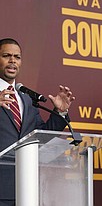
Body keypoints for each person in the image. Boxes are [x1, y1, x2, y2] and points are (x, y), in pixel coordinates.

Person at [0, 38, 75, 206]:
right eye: (6, 55)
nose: (13, 61)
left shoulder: (26, 99)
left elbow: (41, 135)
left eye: (17, 57)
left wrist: (60, 112)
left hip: (25, 187)